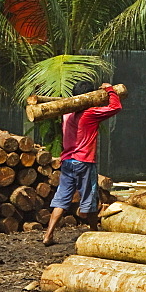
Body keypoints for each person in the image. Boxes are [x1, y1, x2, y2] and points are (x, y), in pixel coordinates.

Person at [42, 80, 122, 245]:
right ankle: (93, 231)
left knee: (62, 198)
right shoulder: (90, 113)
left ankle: (48, 235)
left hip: (67, 161)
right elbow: (116, 107)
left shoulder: (66, 114)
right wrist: (109, 90)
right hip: (84, 161)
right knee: (90, 196)